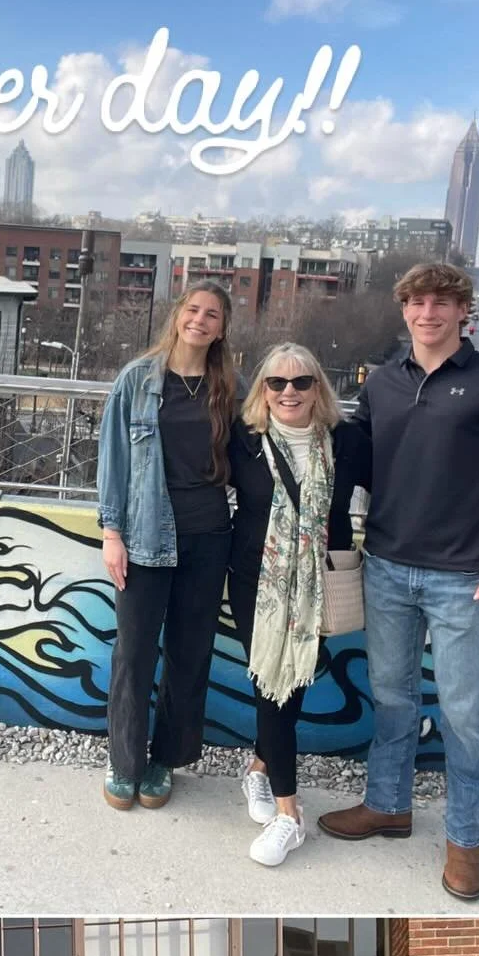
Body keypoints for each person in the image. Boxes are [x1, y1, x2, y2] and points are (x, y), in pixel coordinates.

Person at [318, 263, 479, 901]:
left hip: (463, 578)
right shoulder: (384, 382)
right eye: (417, 302)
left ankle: (466, 842)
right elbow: (347, 455)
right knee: (391, 696)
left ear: (462, 311)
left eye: (442, 302)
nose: (428, 313)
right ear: (404, 311)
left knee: (466, 714)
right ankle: (387, 805)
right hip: (385, 565)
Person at [96, 282, 237, 812]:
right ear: (178, 316)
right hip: (144, 535)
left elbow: (253, 451)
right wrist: (113, 533)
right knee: (133, 653)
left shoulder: (230, 386)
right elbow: (112, 460)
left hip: (208, 536)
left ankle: (164, 760)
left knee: (189, 654)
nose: (200, 320)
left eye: (213, 314)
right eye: (193, 310)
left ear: (222, 328)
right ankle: (124, 760)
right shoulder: (137, 380)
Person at [228, 345, 371, 867]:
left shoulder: (348, 441)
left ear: (319, 388)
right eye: (276, 383)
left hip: (319, 585)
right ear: (262, 390)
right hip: (254, 583)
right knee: (274, 687)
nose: (289, 392)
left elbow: (395, 490)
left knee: (295, 686)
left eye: (301, 382)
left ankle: (260, 770)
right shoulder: (243, 441)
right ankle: (291, 816)